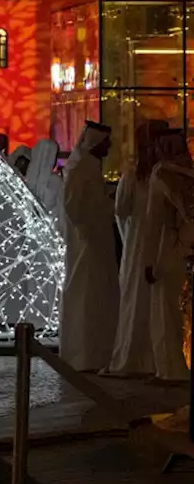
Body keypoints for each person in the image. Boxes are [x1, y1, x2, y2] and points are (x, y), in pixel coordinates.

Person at [60, 121, 118, 372]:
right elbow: (73, 206)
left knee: (98, 296)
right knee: (85, 295)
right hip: (87, 244)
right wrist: (86, 233)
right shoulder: (80, 167)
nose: (109, 147)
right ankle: (82, 356)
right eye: (105, 142)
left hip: (97, 241)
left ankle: (97, 354)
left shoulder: (90, 166)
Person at [107, 122, 163, 376]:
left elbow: (121, 210)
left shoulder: (136, 175)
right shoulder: (153, 175)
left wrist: (128, 234)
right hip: (155, 243)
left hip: (139, 242)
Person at [147, 130, 194, 382]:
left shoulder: (162, 174)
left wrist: (148, 260)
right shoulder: (188, 171)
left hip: (168, 249)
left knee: (165, 312)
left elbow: (154, 220)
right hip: (188, 249)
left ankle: (170, 370)